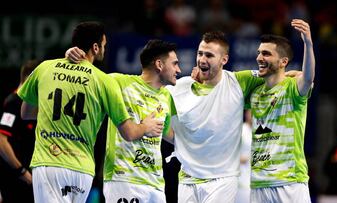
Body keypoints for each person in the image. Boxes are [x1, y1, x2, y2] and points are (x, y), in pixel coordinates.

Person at [17, 21, 163, 203]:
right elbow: (129, 132)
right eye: (103, 45)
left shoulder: (45, 68)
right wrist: (146, 126)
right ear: (95, 47)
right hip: (83, 170)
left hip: (49, 162)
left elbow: (26, 113)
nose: (104, 49)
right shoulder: (104, 81)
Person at [66, 39, 181, 202]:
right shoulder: (118, 83)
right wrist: (71, 58)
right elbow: (84, 80)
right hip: (124, 180)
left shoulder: (167, 96)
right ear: (159, 65)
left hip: (156, 185)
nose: (179, 69)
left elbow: (170, 134)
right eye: (175, 64)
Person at [166, 30, 264, 202]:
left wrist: (297, 76)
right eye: (200, 53)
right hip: (187, 179)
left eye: (209, 55)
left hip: (222, 180)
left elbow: (275, 77)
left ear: (223, 60)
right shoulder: (180, 88)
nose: (202, 59)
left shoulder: (239, 82)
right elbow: (166, 128)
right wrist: (181, 142)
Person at [248, 19, 315, 202]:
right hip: (258, 183)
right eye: (259, 53)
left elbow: (308, 78)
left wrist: (308, 43)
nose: (259, 58)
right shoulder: (254, 93)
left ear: (283, 61)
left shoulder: (292, 88)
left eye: (266, 54)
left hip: (290, 182)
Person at [0, 59, 41, 203]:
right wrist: (22, 172)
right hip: (15, 182)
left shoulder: (33, 104)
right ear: (30, 79)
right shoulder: (13, 103)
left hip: (29, 182)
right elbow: (1, 141)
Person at [235, 109, 252, 203]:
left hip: (254, 178)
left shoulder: (260, 131)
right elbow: (228, 154)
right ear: (246, 113)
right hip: (241, 179)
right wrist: (241, 159)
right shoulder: (241, 130)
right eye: (251, 112)